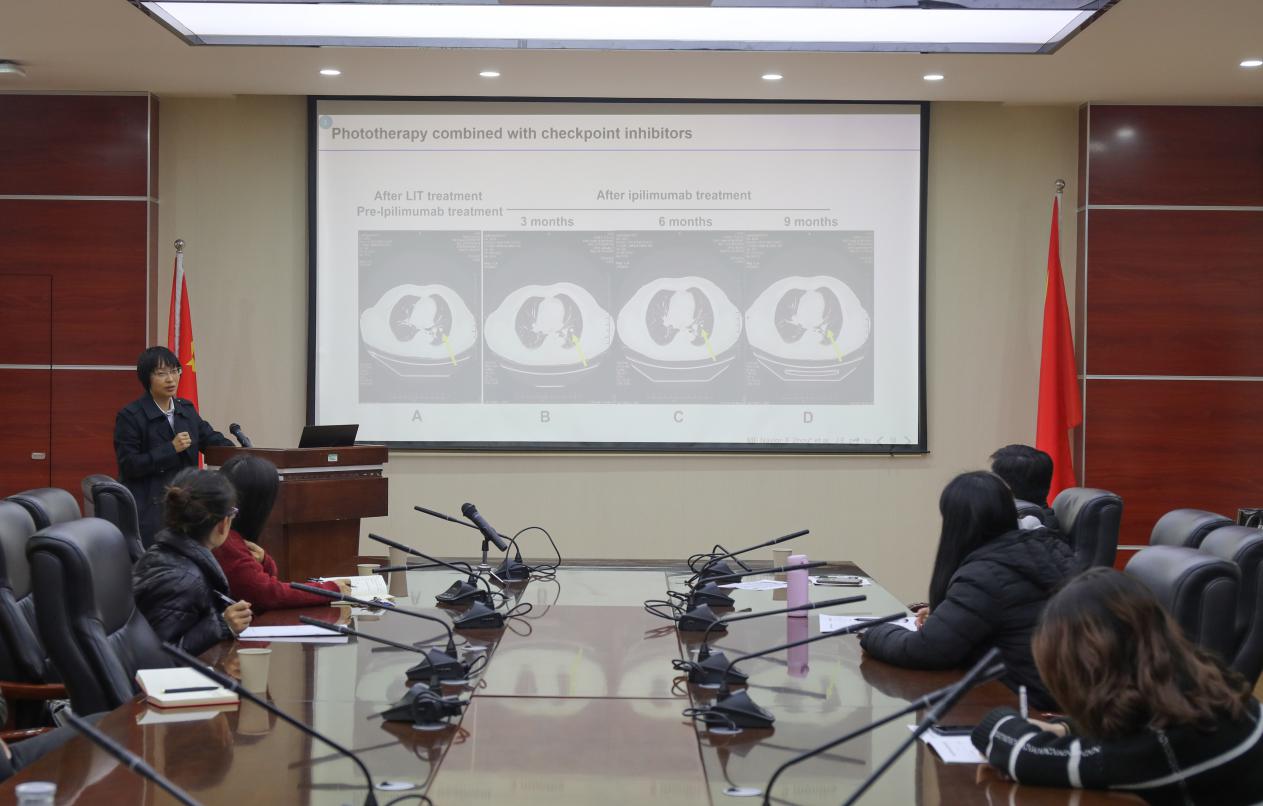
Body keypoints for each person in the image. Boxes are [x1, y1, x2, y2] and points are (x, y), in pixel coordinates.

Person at [971, 568, 1263, 804]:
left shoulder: (1164, 748)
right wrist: (1064, 728)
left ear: (1088, 674)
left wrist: (1002, 724)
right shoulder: (1206, 689)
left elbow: (1018, 751)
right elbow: (1132, 728)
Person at [859, 471, 1075, 709]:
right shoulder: (1046, 549)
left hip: (1026, 703)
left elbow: (926, 651)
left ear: (957, 523)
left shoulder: (986, 574)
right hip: (1063, 695)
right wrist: (948, 610)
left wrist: (873, 631)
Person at [114, 346, 235, 546]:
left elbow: (211, 439)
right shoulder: (131, 416)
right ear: (147, 378)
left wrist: (238, 453)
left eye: (174, 371)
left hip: (188, 503)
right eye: (162, 374)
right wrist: (170, 449)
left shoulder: (185, 410)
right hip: (150, 507)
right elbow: (129, 465)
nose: (170, 379)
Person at [133, 469, 253, 655]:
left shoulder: (166, 554)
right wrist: (222, 625)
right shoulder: (182, 580)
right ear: (223, 524)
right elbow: (160, 657)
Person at [214, 453, 350, 609]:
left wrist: (264, 561)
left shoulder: (229, 535)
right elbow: (267, 594)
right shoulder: (225, 540)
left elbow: (263, 583)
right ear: (257, 504)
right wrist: (330, 590)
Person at [989, 444, 1061, 531]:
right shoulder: (1042, 521)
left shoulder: (1008, 528)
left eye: (993, 478)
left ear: (1006, 487)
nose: (988, 482)